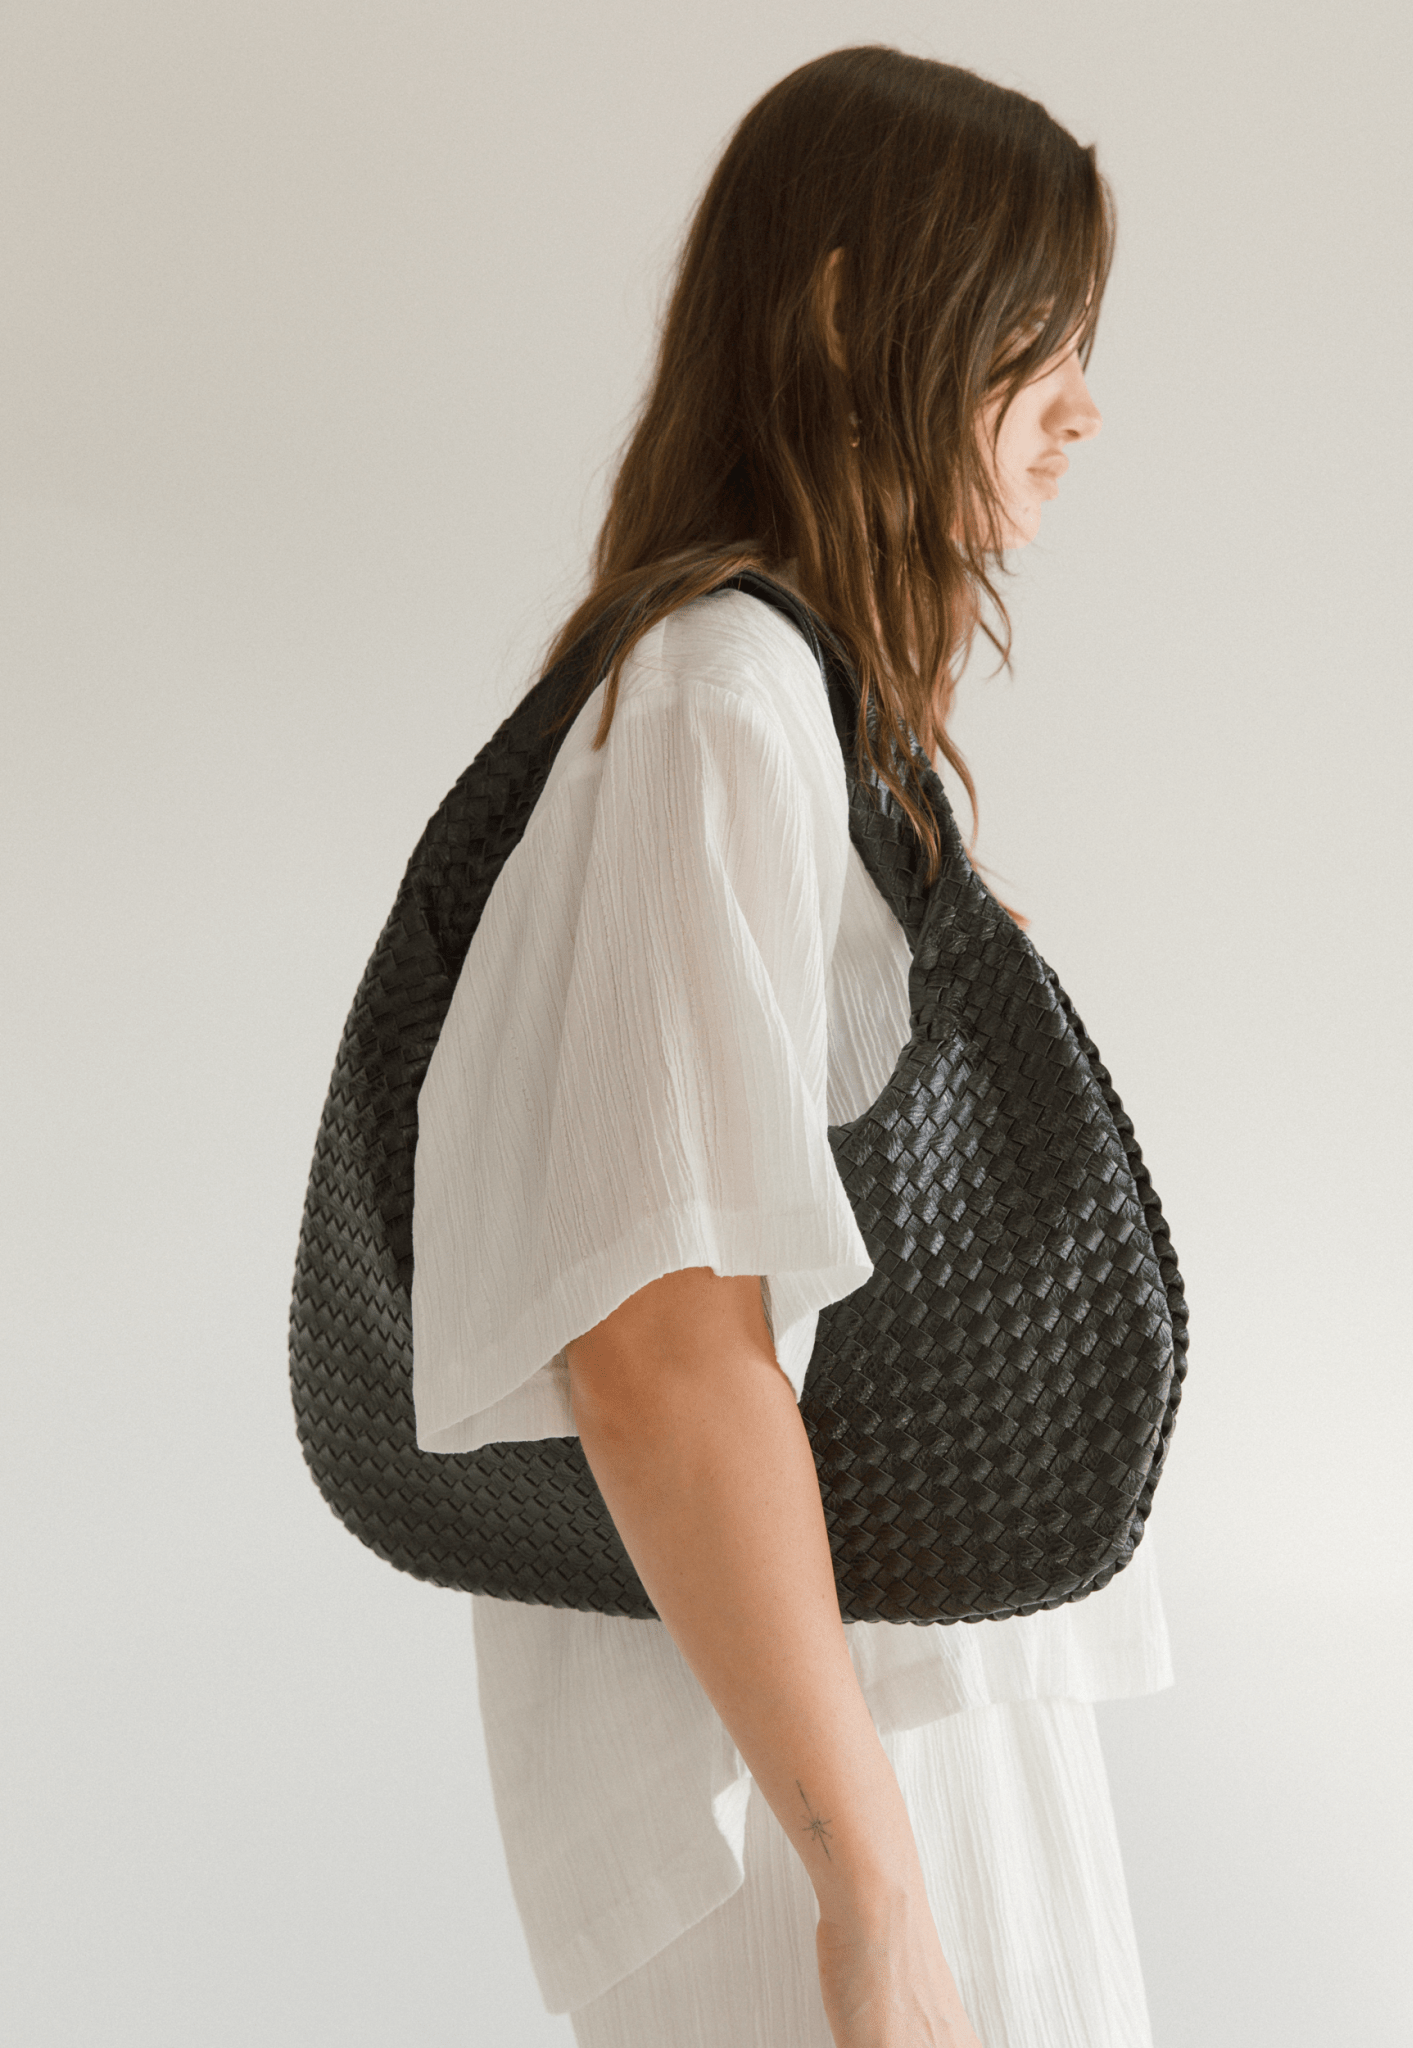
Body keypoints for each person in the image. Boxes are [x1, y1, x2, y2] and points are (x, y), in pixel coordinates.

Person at [410, 42, 1172, 2048]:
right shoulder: (719, 701)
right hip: (829, 1783)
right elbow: (660, 1344)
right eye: (1035, 336)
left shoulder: (782, 710)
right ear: (848, 312)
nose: (1083, 406)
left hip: (865, 1734)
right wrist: (877, 1893)